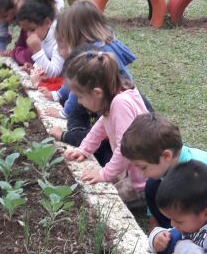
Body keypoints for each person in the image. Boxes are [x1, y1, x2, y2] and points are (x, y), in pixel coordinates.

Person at [44, 1, 137, 155]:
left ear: (77, 36)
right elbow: (75, 86)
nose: (62, 50)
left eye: (64, 42)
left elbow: (78, 90)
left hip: (123, 120)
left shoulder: (96, 56)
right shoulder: (97, 49)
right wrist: (58, 94)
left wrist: (64, 114)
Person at [62, 49, 150, 205]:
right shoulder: (114, 97)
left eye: (80, 97)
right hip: (132, 171)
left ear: (97, 93)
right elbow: (101, 126)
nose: (80, 103)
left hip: (143, 181)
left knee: (102, 200)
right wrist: (84, 149)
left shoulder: (120, 104)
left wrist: (104, 174)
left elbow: (125, 149)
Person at [120, 112, 207, 227]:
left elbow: (200, 211)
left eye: (143, 167)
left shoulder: (192, 176)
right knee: (152, 185)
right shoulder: (168, 166)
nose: (142, 174)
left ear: (167, 156)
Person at [14, 0, 63, 77]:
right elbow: (46, 60)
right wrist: (34, 67)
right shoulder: (42, 33)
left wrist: (37, 51)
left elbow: (54, 73)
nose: (29, 35)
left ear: (47, 22)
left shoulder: (59, 37)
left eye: (32, 29)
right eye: (26, 30)